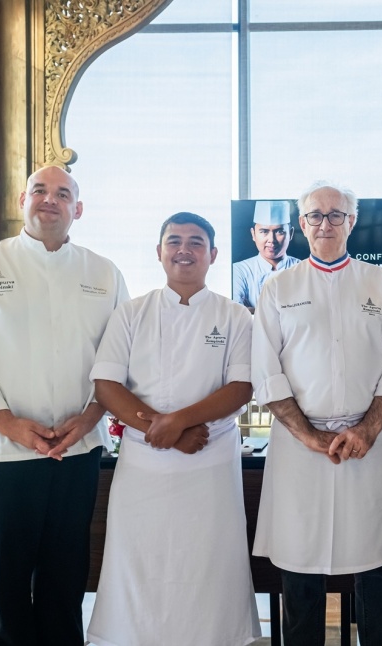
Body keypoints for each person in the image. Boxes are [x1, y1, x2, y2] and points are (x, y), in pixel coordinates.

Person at [0, 165, 129, 645]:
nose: (50, 199)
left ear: (77, 209)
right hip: (1, 451)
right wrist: (9, 424)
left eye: (63, 193)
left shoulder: (103, 273)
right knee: (4, 580)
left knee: (65, 576)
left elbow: (121, 356)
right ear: (22, 199)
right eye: (40, 190)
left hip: (76, 449)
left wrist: (88, 418)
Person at [86, 212, 261, 645]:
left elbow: (240, 387)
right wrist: (162, 430)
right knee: (140, 561)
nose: (185, 249)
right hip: (143, 464)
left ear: (213, 254)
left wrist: (180, 423)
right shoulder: (131, 313)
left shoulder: (236, 317)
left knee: (209, 561)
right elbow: (107, 385)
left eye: (196, 242)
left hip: (210, 460)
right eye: (175, 241)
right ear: (160, 252)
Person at [251, 180, 382, 646]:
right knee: (300, 570)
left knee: (376, 568)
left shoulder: (380, 282)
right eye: (316, 216)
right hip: (300, 450)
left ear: (352, 221)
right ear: (301, 225)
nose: (326, 223)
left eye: (336, 215)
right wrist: (309, 437)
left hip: (369, 444)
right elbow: (267, 372)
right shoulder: (279, 286)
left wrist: (366, 430)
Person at [232, 199, 301, 311]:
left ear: (291, 233)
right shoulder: (239, 270)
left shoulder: (303, 268)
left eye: (279, 231)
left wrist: (254, 310)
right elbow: (236, 312)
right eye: (264, 231)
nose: (271, 240)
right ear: (253, 234)